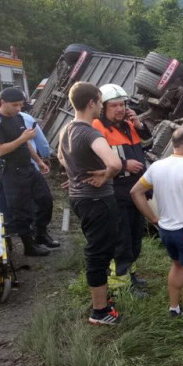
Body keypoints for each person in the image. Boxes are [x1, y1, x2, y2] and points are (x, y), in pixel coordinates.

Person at [131, 128, 183, 336]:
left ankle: (174, 308)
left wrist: (154, 219)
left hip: (166, 230)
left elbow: (135, 192)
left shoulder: (157, 166)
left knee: (176, 265)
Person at [57, 82, 122, 324]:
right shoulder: (90, 132)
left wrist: (76, 173)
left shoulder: (67, 130)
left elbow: (60, 157)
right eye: (100, 101)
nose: (102, 106)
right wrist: (105, 175)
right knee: (99, 252)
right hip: (97, 200)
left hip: (79, 198)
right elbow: (114, 164)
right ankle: (100, 311)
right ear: (91, 103)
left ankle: (102, 298)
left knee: (99, 248)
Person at [92, 84, 153, 293]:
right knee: (121, 240)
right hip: (115, 192)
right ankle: (120, 287)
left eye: (122, 104)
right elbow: (94, 160)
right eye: (114, 105)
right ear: (103, 107)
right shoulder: (97, 127)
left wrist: (140, 124)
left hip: (135, 192)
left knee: (135, 237)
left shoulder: (129, 124)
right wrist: (123, 164)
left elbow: (149, 144)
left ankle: (131, 274)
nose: (119, 109)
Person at [0, 87, 57, 256]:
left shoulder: (18, 118)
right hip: (11, 171)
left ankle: (41, 234)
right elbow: (0, 150)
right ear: (3, 103)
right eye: (15, 105)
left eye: (21, 105)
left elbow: (26, 143)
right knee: (21, 210)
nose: (19, 108)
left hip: (28, 167)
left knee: (45, 200)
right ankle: (29, 246)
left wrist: (38, 161)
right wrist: (22, 138)